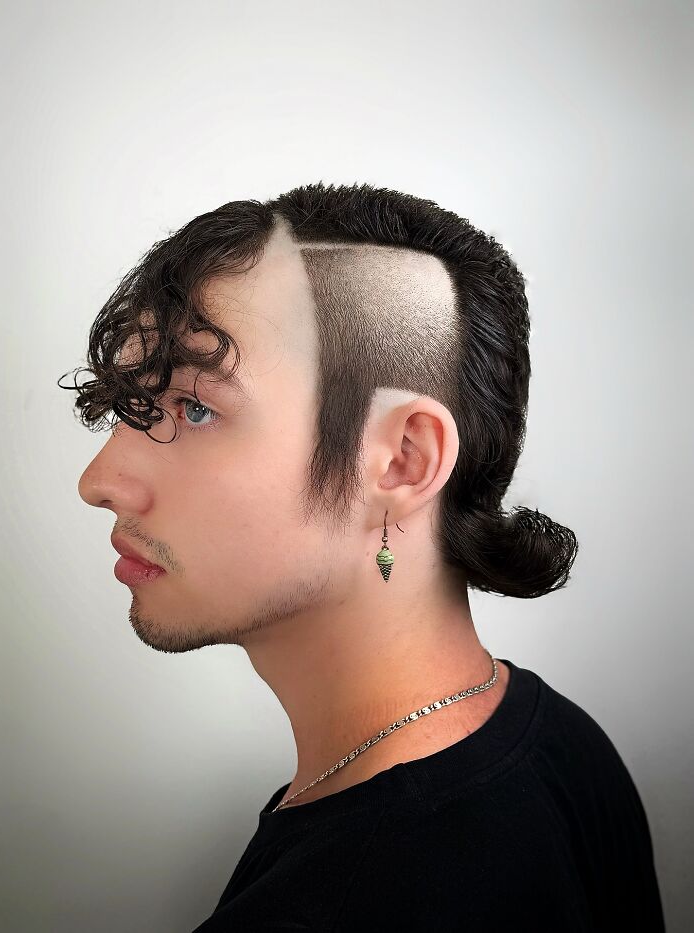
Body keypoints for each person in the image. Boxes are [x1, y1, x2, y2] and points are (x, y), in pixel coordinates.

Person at [65, 182, 665, 930]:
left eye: (196, 406)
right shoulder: (557, 739)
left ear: (404, 461)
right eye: (137, 406)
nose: (101, 481)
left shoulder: (355, 897)